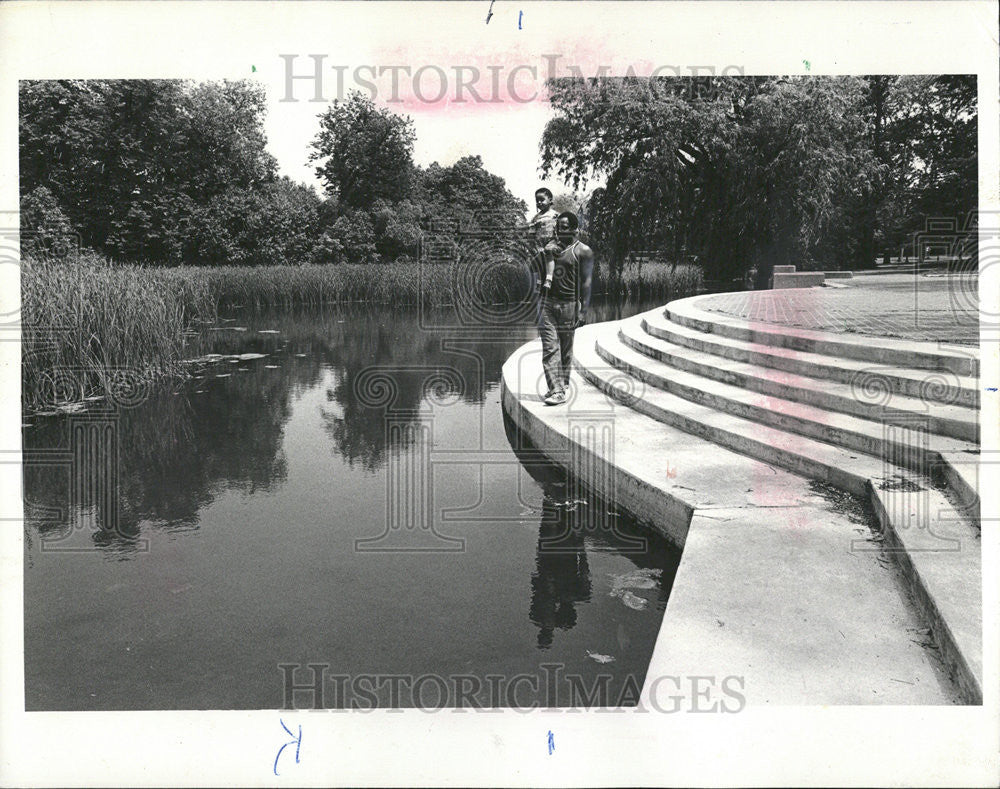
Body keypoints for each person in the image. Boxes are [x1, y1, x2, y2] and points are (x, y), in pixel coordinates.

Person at [539, 212, 594, 406]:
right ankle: (557, 390)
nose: (559, 230)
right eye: (558, 226)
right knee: (550, 348)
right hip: (546, 304)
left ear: (573, 229)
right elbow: (538, 270)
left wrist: (583, 311)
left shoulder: (583, 251)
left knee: (566, 349)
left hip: (569, 304)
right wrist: (545, 253)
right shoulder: (551, 248)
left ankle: (561, 384)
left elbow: (587, 283)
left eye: (564, 226)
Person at [527, 188, 558, 297]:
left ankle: (549, 279)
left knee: (548, 253)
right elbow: (531, 232)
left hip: (552, 241)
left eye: (542, 199)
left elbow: (561, 229)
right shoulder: (536, 217)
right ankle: (538, 283)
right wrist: (531, 242)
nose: (539, 202)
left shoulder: (554, 215)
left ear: (550, 200)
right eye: (537, 200)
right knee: (534, 263)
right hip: (539, 243)